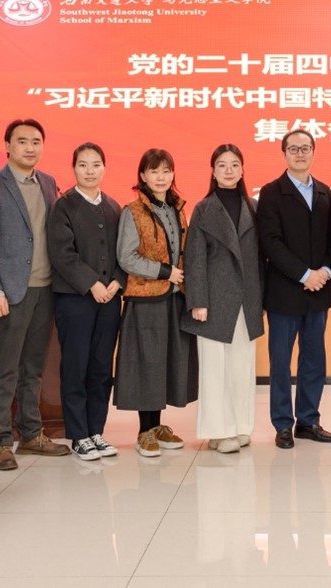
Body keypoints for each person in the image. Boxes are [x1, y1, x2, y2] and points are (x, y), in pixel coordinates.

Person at [0, 118, 70, 470]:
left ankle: (31, 434)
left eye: (36, 141)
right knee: (6, 370)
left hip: (46, 289)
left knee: (34, 368)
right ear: (8, 146)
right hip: (11, 293)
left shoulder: (48, 182)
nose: (30, 148)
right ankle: (0, 442)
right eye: (22, 141)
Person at [256, 130, 331, 450]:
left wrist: (325, 272)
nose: (300, 154)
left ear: (314, 152)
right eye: (294, 149)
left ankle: (308, 421)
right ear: (284, 154)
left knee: (314, 359)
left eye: (305, 148)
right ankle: (282, 424)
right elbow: (270, 242)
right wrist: (304, 274)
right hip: (284, 292)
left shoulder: (325, 192)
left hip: (319, 290)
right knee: (280, 362)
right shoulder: (271, 192)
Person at [182, 144, 264, 454]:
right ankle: (218, 431)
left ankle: (241, 427)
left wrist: (262, 300)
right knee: (214, 369)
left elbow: (261, 260)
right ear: (213, 171)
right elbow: (194, 258)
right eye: (222, 165)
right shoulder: (204, 208)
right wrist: (197, 300)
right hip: (213, 300)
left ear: (242, 170)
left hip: (248, 299)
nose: (228, 170)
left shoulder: (253, 207)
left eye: (234, 164)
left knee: (242, 367)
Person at [47, 142, 125, 461]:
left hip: (110, 299)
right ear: (74, 168)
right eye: (83, 164)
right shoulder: (63, 206)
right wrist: (92, 284)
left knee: (101, 367)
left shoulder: (114, 207)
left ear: (104, 168)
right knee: (76, 366)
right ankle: (79, 435)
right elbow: (62, 254)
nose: (90, 171)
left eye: (95, 164)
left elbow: (124, 251)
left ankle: (96, 432)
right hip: (75, 300)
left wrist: (117, 281)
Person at [116, 148, 197, 457]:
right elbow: (126, 257)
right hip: (145, 299)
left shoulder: (177, 208)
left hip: (174, 298)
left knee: (164, 363)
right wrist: (166, 272)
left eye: (166, 171)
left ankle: (158, 426)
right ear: (142, 176)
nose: (161, 177)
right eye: (154, 171)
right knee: (146, 363)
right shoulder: (133, 211)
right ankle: (144, 431)